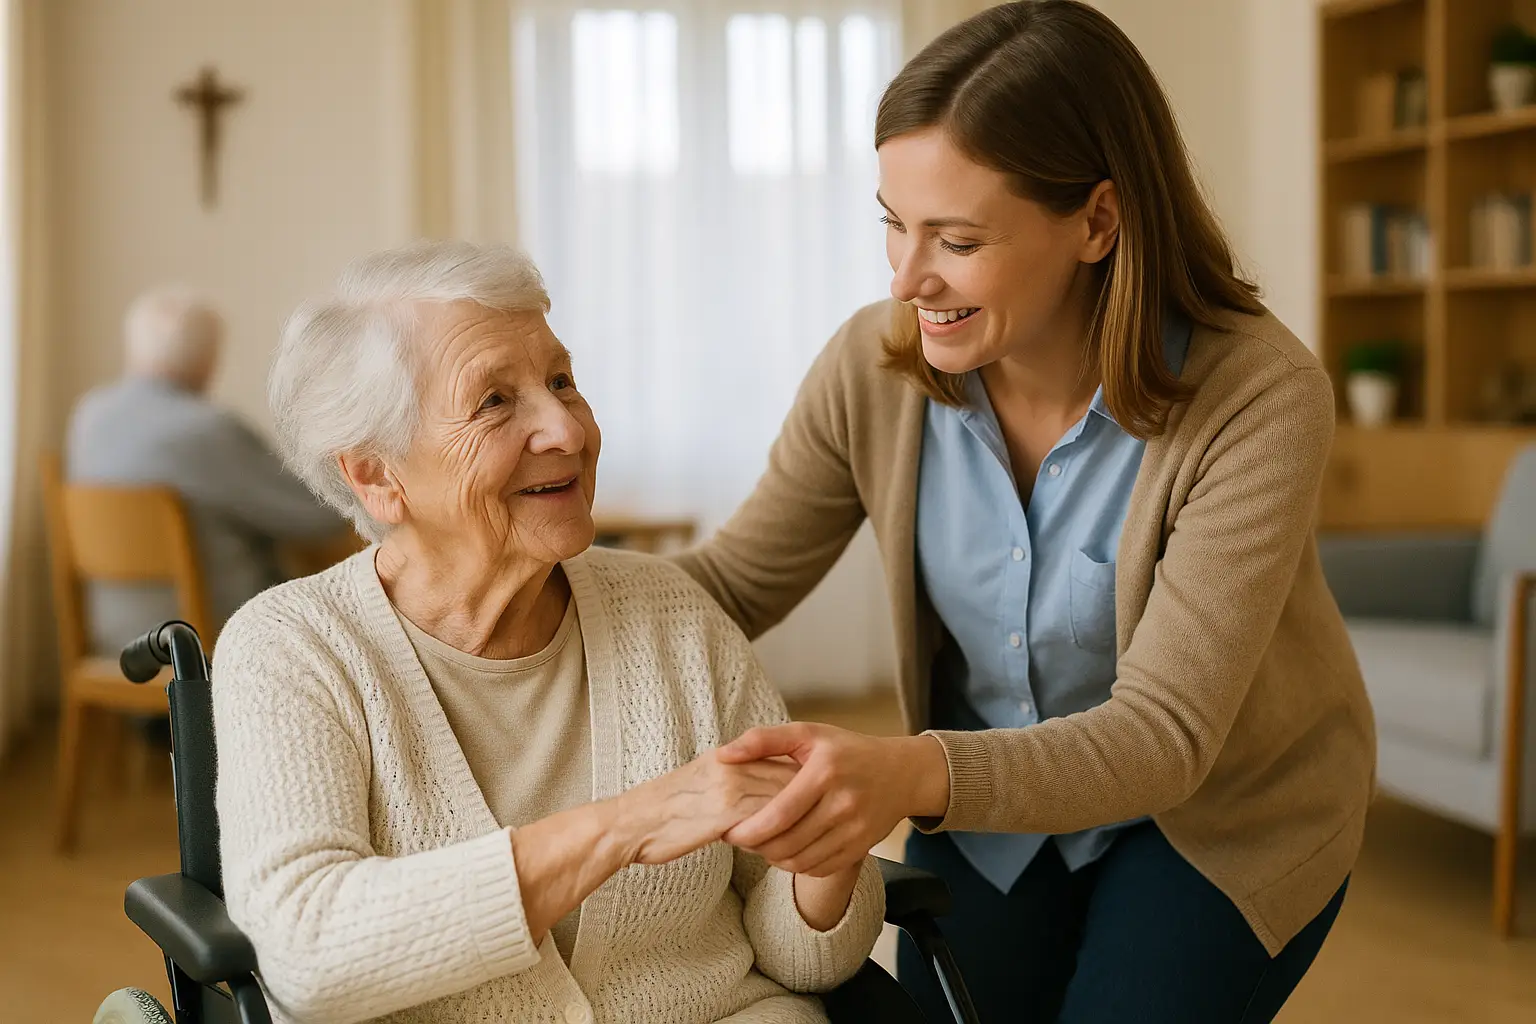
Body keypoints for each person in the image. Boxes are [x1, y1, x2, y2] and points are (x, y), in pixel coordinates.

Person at [674, 3, 1375, 1022]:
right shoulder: (873, 371)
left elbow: (1162, 736)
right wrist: (508, 583)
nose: (906, 278)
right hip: (995, 812)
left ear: (1097, 221)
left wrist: (905, 770)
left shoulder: (1258, 398)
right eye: (893, 223)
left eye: (956, 240)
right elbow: (731, 584)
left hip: (1219, 816)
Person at [210, 241, 885, 1024]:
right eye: (495, 401)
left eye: (562, 381)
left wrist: (827, 850)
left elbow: (803, 959)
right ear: (375, 475)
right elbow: (310, 954)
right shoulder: (292, 648)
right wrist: (631, 823)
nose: (565, 428)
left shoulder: (672, 613)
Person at [66, 286, 349, 656]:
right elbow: (322, 516)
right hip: (209, 638)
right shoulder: (207, 430)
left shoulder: (89, 416)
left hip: (115, 637)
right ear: (208, 358)